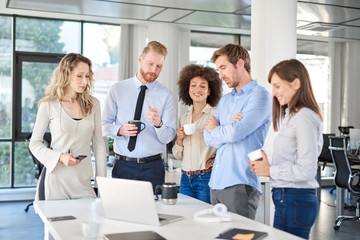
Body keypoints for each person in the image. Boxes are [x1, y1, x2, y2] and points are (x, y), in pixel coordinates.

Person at [249, 59, 323, 239]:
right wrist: (267, 167)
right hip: (289, 198)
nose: (273, 93)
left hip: (294, 199)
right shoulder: (294, 115)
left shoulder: (304, 117)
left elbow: (306, 171)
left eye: (277, 86)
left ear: (296, 83)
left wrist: (270, 170)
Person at [203, 44, 272, 219]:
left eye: (223, 68)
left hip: (240, 182)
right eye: (218, 69)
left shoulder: (260, 96)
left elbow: (235, 133)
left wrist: (219, 129)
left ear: (240, 63)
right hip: (216, 182)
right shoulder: (226, 100)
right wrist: (227, 129)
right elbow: (208, 137)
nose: (220, 75)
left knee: (239, 236)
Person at [29, 53, 107, 200]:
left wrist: (101, 181)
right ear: (66, 75)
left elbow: (99, 145)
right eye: (79, 76)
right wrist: (60, 157)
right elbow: (34, 144)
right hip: (56, 182)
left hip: (83, 183)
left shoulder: (93, 104)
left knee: (89, 222)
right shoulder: (48, 105)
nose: (84, 81)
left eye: (87, 76)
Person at [102, 41, 176, 190]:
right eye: (150, 64)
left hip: (153, 168)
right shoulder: (117, 89)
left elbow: (168, 137)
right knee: (121, 212)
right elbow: (102, 126)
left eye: (159, 66)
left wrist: (159, 124)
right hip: (123, 166)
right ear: (140, 60)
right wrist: (120, 130)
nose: (154, 70)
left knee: (153, 212)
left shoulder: (166, 95)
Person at [172, 64, 222, 204]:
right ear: (187, 89)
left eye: (202, 86)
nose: (197, 89)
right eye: (193, 85)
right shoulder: (183, 118)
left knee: (205, 220)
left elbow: (226, 142)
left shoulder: (216, 115)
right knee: (186, 220)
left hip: (205, 178)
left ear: (210, 90)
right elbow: (177, 155)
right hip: (185, 179)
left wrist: (216, 158)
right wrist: (180, 140)